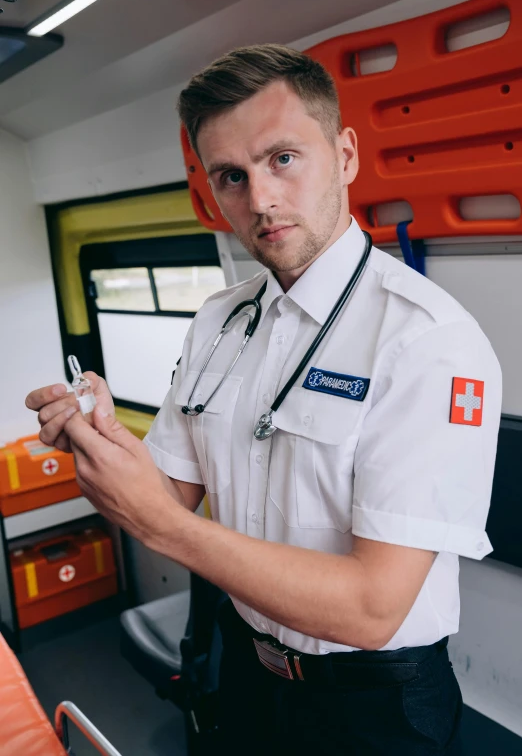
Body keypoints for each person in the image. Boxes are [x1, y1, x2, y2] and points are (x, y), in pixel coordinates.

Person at [26, 44, 502, 755]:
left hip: (371, 704)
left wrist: (165, 527)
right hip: (244, 670)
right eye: (231, 176)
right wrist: (104, 443)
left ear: (344, 156)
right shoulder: (218, 318)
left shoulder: (426, 340)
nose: (260, 199)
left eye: (283, 158)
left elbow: (375, 607)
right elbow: (167, 494)